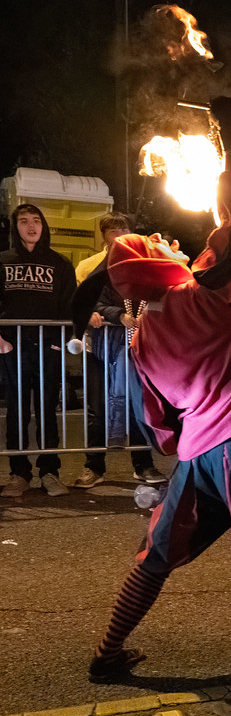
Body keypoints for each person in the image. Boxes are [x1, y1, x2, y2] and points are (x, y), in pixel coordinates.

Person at [82, 97, 231, 683]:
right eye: (158, 244)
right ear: (159, 266)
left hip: (196, 453)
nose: (168, 241)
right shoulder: (207, 291)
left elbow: (158, 422)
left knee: (158, 554)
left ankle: (108, 653)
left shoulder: (142, 338)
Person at [72, 212, 164, 488]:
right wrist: (113, 315)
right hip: (100, 348)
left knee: (139, 405)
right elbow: (82, 302)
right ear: (104, 236)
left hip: (137, 348)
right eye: (113, 231)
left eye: (124, 229)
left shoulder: (144, 264)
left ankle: (143, 465)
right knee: (98, 407)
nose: (119, 235)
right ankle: (94, 466)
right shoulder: (90, 267)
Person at [0, 203, 75, 498]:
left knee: (46, 410)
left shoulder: (60, 264)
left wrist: (61, 339)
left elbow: (71, 306)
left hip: (48, 347)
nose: (31, 227)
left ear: (43, 226)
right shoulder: (3, 261)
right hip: (11, 347)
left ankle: (49, 472)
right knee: (16, 411)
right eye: (23, 222)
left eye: (36, 221)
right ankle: (19, 474)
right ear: (15, 227)